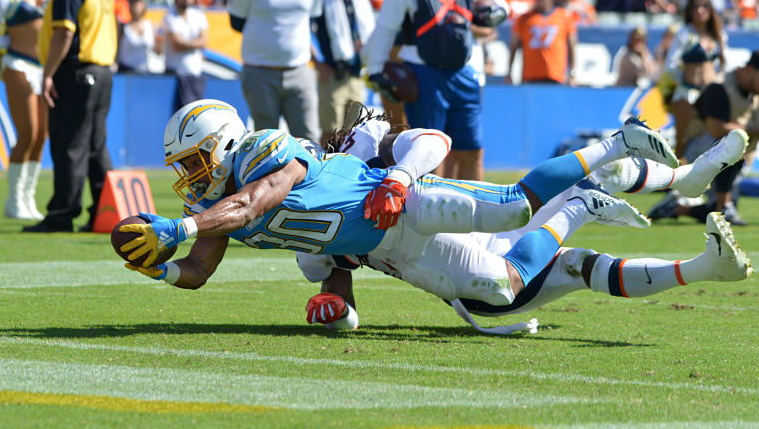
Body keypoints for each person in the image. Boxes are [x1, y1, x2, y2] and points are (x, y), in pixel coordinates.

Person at [119, 99, 679, 310]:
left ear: (222, 144)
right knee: (498, 288)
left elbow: (250, 204)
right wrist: (161, 267)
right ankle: (581, 203)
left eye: (195, 160)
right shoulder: (217, 205)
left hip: (397, 200)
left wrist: (181, 224)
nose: (190, 175)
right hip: (384, 246)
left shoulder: (266, 150)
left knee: (512, 207)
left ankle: (618, 143)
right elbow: (197, 271)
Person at [299, 115, 751, 333]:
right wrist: (335, 311)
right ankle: (702, 266)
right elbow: (339, 292)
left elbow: (430, 141)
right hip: (468, 278)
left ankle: (686, 180)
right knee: (577, 265)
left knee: (591, 181)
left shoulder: (369, 150)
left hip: (485, 223)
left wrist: (396, 177)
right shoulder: (312, 223)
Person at [362, 0, 510, 181]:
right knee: (427, 154)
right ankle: (430, 211)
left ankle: (474, 210)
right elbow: (387, 25)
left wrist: (487, 14)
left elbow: (500, 6)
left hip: (464, 70)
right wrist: (375, 69)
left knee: (472, 151)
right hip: (423, 70)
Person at [24, 0, 117, 232]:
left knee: (69, 143)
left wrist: (47, 74)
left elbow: (64, 32)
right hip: (102, 71)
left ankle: (62, 214)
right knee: (95, 146)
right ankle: (104, 210)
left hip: (77, 72)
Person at [649, 51, 759, 226]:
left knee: (717, 212)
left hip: (724, 155)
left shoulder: (753, 91)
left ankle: (676, 208)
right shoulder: (721, 86)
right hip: (700, 146)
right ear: (750, 71)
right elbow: (716, 128)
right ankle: (724, 204)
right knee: (732, 146)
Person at [0, 0, 51, 220]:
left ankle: (28, 198)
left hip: (44, 70)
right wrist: (11, 42)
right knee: (27, 133)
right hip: (17, 65)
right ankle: (14, 199)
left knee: (42, 136)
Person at [227, 0, 323, 142]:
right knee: (266, 144)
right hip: (260, 72)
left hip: (299, 70)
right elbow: (237, 22)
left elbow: (312, 19)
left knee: (309, 141)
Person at [663, 0, 727, 159]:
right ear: (689, 11)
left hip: (710, 95)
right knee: (681, 141)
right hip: (687, 93)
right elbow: (670, 64)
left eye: (704, 7)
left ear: (710, 10)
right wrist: (682, 80)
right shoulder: (684, 33)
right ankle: (674, 181)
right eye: (695, 7)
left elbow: (723, 64)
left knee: (712, 138)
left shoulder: (718, 34)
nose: (700, 11)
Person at [313, 0, 374, 148]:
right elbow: (304, 31)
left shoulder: (361, 1)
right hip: (332, 76)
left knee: (353, 133)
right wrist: (317, 63)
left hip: (356, 75)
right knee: (330, 132)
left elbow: (370, 34)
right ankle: (324, 169)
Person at [506, 0, 576, 85]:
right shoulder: (524, 19)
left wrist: (572, 73)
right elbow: (514, 46)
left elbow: (572, 46)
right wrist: (509, 72)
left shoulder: (564, 17)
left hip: (555, 76)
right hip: (530, 75)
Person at [162, 0, 207, 111]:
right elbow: (176, 45)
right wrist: (195, 42)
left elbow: (204, 41)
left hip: (194, 74)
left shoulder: (199, 16)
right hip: (175, 75)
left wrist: (185, 42)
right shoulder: (170, 17)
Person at [117, 0, 156, 74]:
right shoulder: (124, 27)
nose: (136, 6)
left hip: (144, 71)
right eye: (133, 3)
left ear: (144, 5)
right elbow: (117, 48)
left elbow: (157, 50)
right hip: (126, 71)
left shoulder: (150, 26)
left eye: (138, 2)